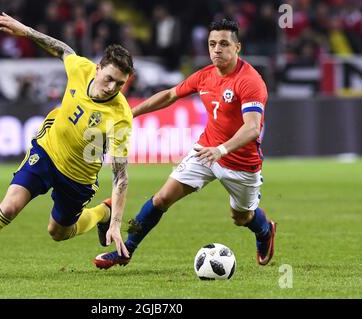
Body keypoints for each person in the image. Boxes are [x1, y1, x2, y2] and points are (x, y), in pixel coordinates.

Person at [0, 13, 134, 281]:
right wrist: (25, 30)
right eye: (109, 78)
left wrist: (116, 223)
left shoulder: (120, 116)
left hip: (79, 176)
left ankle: (101, 213)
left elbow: (120, 176)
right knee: (10, 206)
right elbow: (63, 49)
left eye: (120, 83)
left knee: (57, 232)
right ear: (97, 68)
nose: (112, 87)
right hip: (47, 151)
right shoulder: (80, 68)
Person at [94, 19, 276, 269]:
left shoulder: (250, 81)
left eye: (224, 44)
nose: (216, 50)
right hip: (205, 151)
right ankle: (126, 250)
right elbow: (169, 95)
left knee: (241, 217)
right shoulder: (204, 76)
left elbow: (253, 127)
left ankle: (265, 231)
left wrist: (221, 150)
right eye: (212, 44)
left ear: (237, 48)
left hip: (241, 163)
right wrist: (130, 114)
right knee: (161, 198)